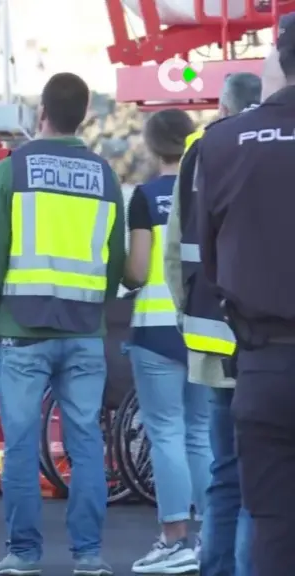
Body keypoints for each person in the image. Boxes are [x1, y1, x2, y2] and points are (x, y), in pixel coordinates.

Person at [0, 72, 124, 576]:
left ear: (42, 112)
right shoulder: (104, 175)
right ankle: (88, 556)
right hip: (83, 330)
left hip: (21, 328)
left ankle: (23, 554)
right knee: (85, 444)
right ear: (84, 116)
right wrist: (94, 308)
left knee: (19, 445)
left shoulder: (13, 170)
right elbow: (115, 258)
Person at [196, 27, 295, 574]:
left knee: (272, 527)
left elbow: (209, 259)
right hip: (262, 355)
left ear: (279, 60)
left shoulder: (223, 141)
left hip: (263, 362)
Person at [164, 72, 260, 576]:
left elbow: (175, 247)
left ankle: (217, 568)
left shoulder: (198, 152)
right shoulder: (271, 147)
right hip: (265, 341)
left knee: (225, 474)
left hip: (211, 336)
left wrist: (186, 313)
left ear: (222, 106)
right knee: (263, 479)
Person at [125, 109, 211, 574]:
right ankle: (212, 535)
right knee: (201, 434)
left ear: (152, 145)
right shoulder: (211, 190)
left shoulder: (147, 196)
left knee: (167, 433)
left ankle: (174, 538)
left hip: (157, 331)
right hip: (206, 330)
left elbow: (137, 270)